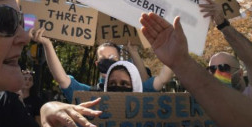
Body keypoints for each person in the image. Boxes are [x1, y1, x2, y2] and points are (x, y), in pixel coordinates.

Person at [29, 29, 173, 102]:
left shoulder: (137, 91)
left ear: (120, 61)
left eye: (112, 57)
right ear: (97, 63)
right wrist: (47, 44)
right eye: (103, 58)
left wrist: (175, 50)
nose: (107, 61)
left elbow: (163, 78)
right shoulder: (89, 94)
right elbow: (61, 79)